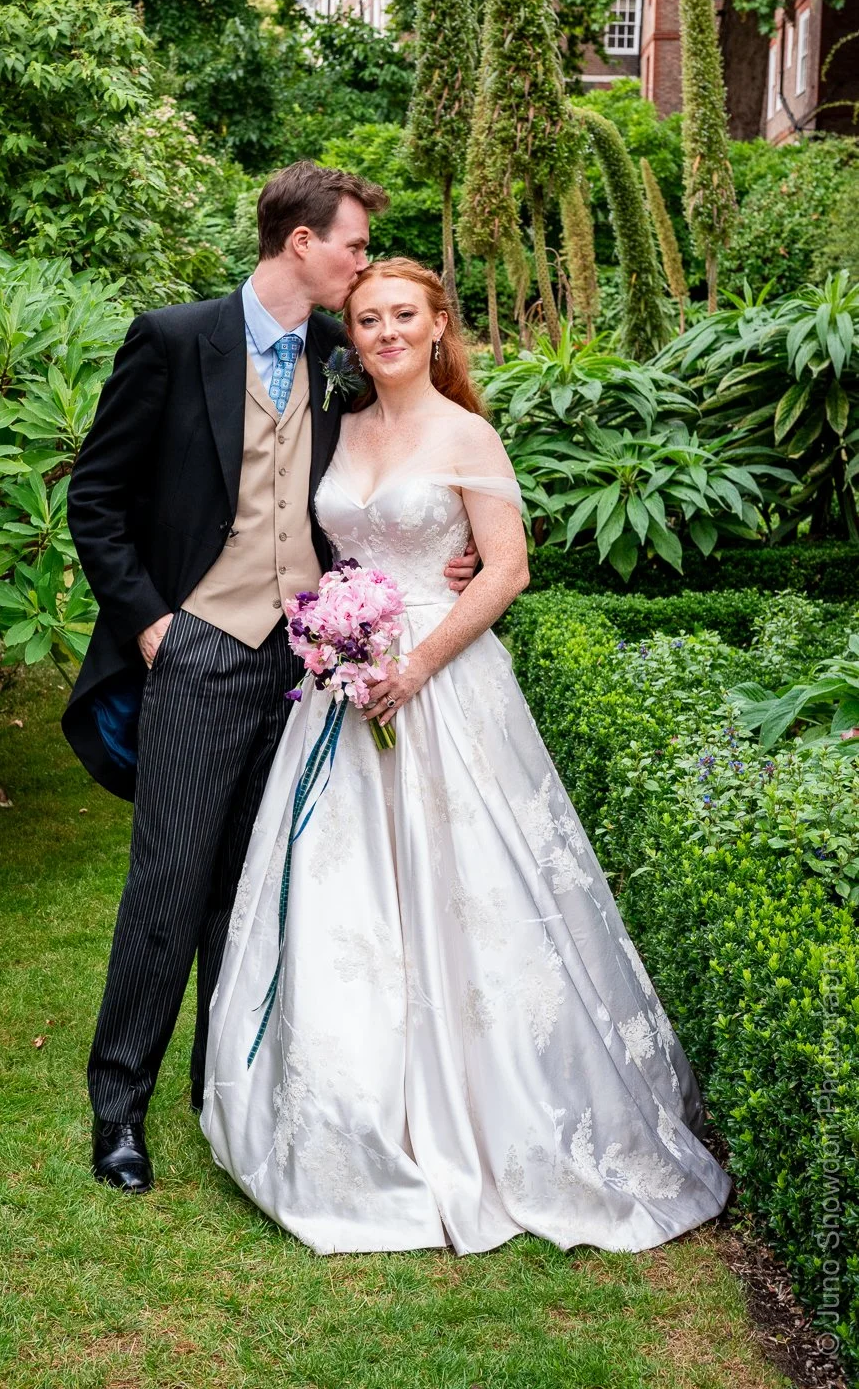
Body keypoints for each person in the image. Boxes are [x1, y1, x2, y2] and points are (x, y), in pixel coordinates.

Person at [201, 257, 733, 1255]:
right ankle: (353, 1111)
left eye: (404, 314)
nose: (386, 331)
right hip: (344, 689)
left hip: (445, 686)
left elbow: (507, 566)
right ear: (350, 335)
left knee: (473, 891)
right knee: (341, 900)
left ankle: (493, 1116)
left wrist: (417, 664)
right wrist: (332, 629)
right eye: (367, 318)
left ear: (440, 325)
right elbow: (327, 549)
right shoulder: (342, 428)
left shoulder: (466, 433)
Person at [63, 168, 480, 1193]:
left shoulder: (341, 356)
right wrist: (156, 625)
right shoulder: (173, 338)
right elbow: (97, 498)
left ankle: (222, 1092)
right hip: (199, 644)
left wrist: (454, 557)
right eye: (351, 247)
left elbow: (422, 452)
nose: (361, 265)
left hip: (304, 664)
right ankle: (119, 1111)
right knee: (168, 883)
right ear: (300, 243)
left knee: (253, 893)